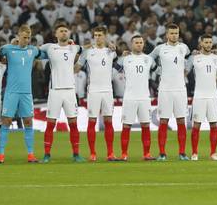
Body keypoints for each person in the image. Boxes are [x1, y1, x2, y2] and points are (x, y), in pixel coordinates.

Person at [0, 25, 40, 164]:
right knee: (6, 121)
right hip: (11, 92)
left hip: (26, 93)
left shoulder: (32, 50)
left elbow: (45, 53)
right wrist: (10, 43)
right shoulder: (8, 49)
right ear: (18, 36)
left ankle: (30, 154)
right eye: (24, 37)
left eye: (29, 37)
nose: (27, 40)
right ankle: (1, 154)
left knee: (28, 121)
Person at [40, 23, 83, 163]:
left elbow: (85, 50)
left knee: (73, 124)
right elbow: (33, 52)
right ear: (56, 34)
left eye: (66, 30)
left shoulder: (74, 47)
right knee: (50, 124)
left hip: (70, 91)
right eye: (61, 31)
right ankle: (46, 154)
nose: (64, 33)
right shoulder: (49, 47)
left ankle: (76, 154)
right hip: (55, 91)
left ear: (69, 33)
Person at [149, 23, 192, 161]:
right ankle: (162, 153)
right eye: (172, 33)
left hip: (180, 89)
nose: (174, 35)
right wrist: (158, 71)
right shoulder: (160, 49)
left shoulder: (184, 47)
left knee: (181, 120)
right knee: (163, 121)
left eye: (176, 33)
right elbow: (147, 60)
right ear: (166, 34)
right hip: (165, 89)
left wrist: (187, 70)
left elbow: (190, 58)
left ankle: (182, 153)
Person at [79, 26, 118, 161]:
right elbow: (77, 67)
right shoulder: (88, 52)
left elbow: (119, 66)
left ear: (105, 36)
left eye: (100, 35)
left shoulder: (111, 51)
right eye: (95, 35)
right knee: (92, 121)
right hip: (93, 91)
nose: (97, 37)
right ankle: (93, 153)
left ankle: (110, 153)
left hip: (108, 91)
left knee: (108, 121)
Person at [118, 36, 157, 161]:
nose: (139, 45)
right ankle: (124, 154)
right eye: (136, 43)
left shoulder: (149, 59)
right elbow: (113, 68)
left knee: (145, 124)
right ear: (131, 44)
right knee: (126, 125)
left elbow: (158, 70)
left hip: (145, 97)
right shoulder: (125, 59)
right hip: (129, 97)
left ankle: (147, 154)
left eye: (141, 42)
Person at [189, 35, 217, 161]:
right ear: (201, 43)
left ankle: (213, 153)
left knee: (213, 124)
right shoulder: (194, 58)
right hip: (199, 96)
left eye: (210, 42)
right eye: (206, 42)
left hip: (213, 96)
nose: (208, 44)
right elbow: (185, 69)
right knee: (196, 124)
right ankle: (194, 153)